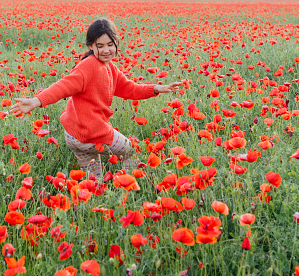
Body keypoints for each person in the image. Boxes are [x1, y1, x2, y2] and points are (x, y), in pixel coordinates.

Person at [10, 17, 181, 179]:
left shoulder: (109, 68)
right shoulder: (88, 67)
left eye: (110, 44)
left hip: (73, 136)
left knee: (94, 181)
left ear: (116, 43)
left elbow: (130, 88)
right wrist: (36, 101)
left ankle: (94, 201)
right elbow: (62, 87)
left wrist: (156, 88)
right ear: (91, 46)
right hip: (92, 134)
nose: (106, 50)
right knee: (128, 149)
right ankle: (133, 182)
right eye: (100, 45)